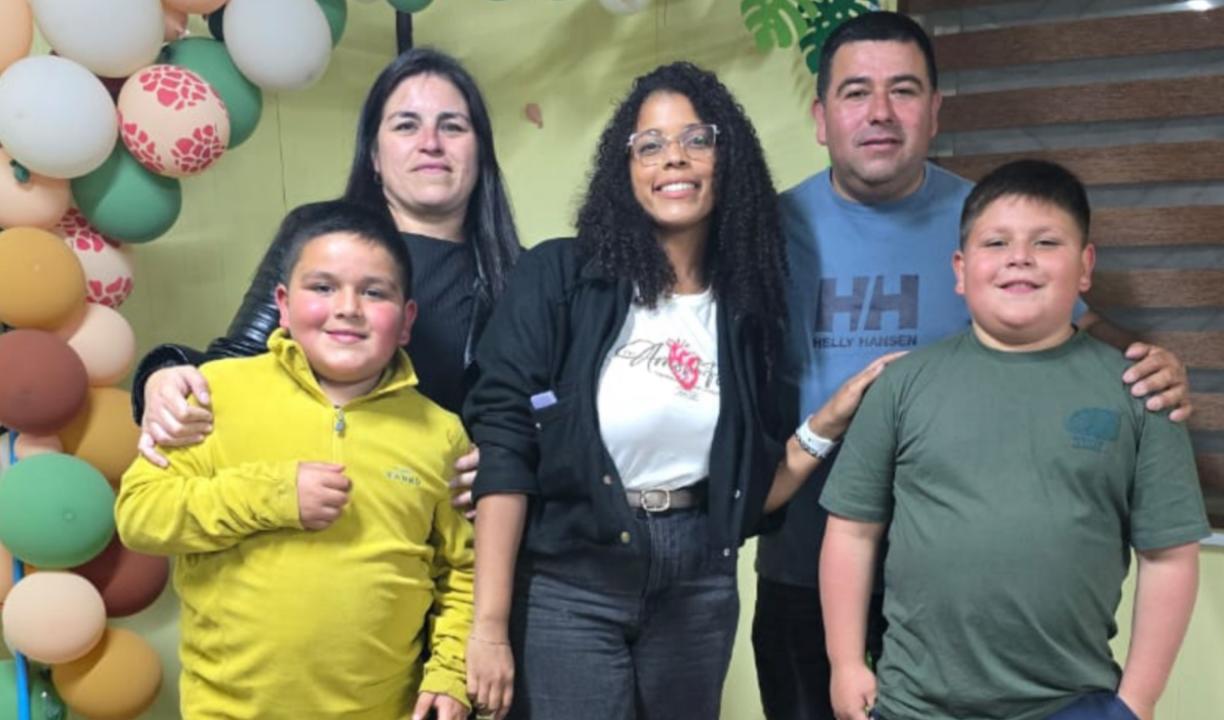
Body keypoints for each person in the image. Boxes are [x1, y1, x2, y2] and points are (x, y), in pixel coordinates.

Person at [753, 13, 1193, 719]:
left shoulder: (988, 219)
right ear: (821, 116)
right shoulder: (766, 232)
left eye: (903, 90)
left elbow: (1078, 328)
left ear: (934, 111)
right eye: (856, 92)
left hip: (958, 558)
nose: (879, 112)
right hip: (814, 539)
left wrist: (1151, 362)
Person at [461, 62, 899, 720]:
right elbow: (505, 450)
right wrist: (489, 629)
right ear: (626, 168)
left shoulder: (746, 310)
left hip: (698, 583)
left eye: (697, 139)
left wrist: (827, 423)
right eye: (651, 144)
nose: (675, 158)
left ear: (728, 160)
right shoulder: (560, 276)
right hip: (571, 581)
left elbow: (748, 495)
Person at [819, 159, 1208, 720]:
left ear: (1085, 267)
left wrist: (1138, 700)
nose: (1019, 257)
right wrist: (844, 662)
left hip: (1072, 703)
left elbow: (1169, 556)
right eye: (996, 242)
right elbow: (852, 531)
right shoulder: (901, 386)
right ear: (960, 270)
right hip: (913, 704)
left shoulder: (1142, 394)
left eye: (1046, 242)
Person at [115, 201, 476, 720]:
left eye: (375, 292)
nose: (348, 307)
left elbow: (463, 571)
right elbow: (141, 516)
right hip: (229, 711)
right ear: (282, 305)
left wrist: (450, 674)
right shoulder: (214, 392)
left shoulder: (441, 433)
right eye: (323, 287)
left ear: (406, 321)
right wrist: (275, 495)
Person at [130, 47, 521, 514]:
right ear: (374, 154)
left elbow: (552, 413)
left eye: (453, 126)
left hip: (438, 523)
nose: (431, 143)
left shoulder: (524, 277)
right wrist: (162, 375)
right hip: (306, 510)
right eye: (406, 125)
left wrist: (514, 461)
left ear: (481, 150)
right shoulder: (314, 237)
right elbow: (241, 360)